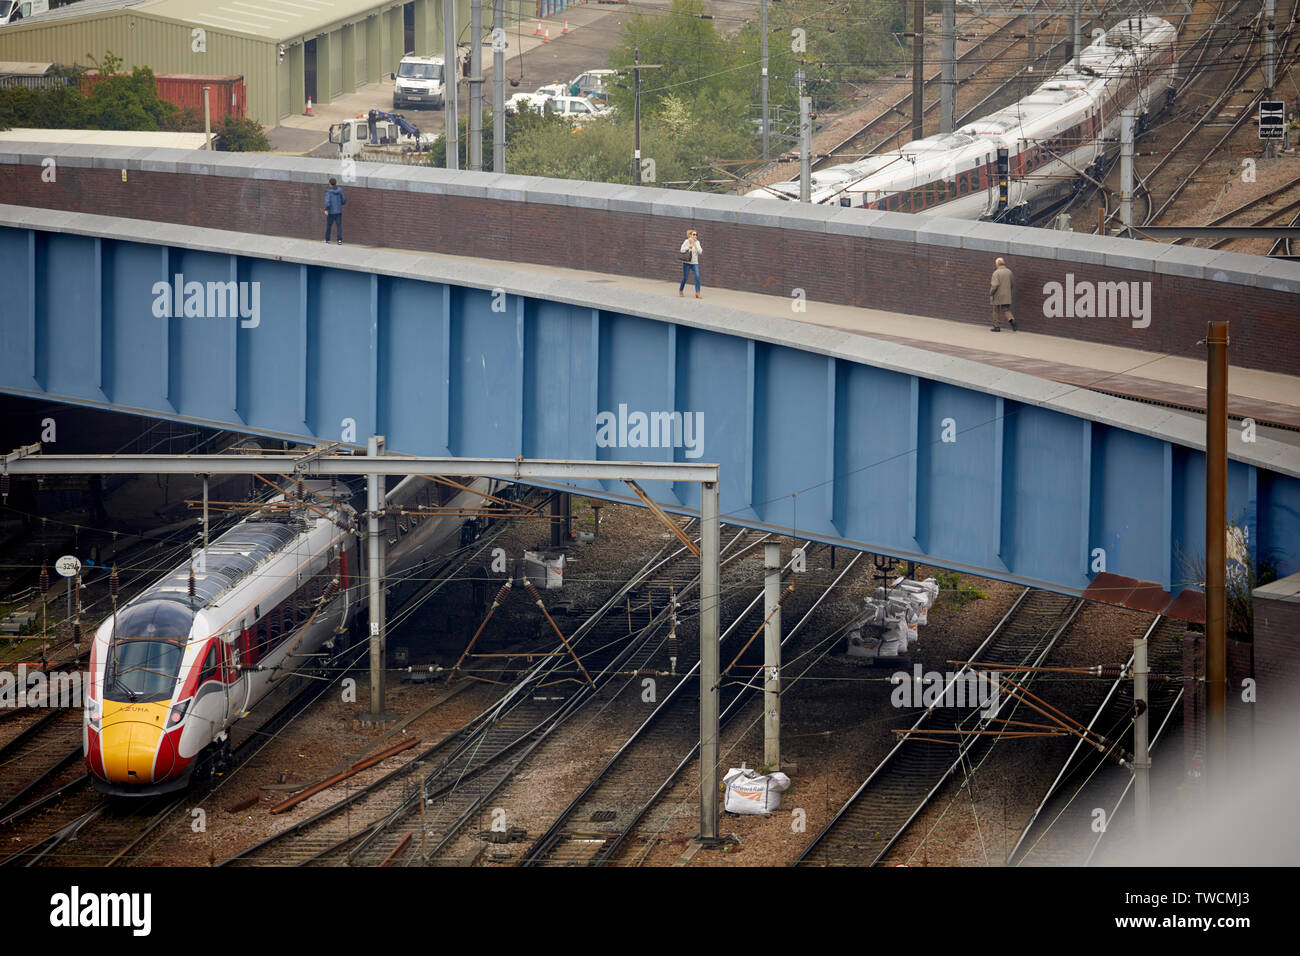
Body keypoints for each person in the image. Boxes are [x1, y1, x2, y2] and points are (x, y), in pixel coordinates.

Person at [989, 256, 1016, 331]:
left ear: (997, 264)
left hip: (997, 294)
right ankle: (1011, 320)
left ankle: (996, 326)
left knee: (996, 310)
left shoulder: (996, 273)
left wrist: (991, 293)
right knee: (1006, 309)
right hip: (1007, 294)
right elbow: (1012, 283)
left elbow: (995, 285)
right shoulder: (1009, 272)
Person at [679, 229, 702, 298]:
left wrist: (695, 245)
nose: (695, 236)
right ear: (690, 235)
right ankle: (681, 290)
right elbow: (681, 250)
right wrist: (689, 246)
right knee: (685, 278)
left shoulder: (697, 242)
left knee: (697, 276)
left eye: (696, 234)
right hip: (687, 262)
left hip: (695, 263)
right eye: (694, 234)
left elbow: (700, 252)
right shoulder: (686, 241)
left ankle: (697, 293)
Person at [324, 177, 346, 244]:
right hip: (338, 211)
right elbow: (344, 200)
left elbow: (328, 202)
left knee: (329, 226)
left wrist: (326, 209)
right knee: (339, 226)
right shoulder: (340, 190)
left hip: (331, 212)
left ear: (330, 184)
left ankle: (327, 240)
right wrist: (340, 204)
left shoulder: (328, 192)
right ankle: (339, 240)